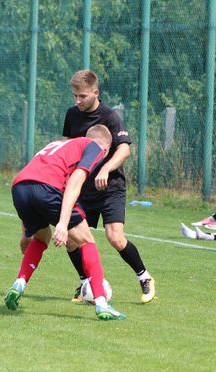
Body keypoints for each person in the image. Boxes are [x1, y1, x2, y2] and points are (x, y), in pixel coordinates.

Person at [5, 125, 126, 320]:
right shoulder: (95, 147)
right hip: (47, 188)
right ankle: (102, 304)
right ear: (105, 149)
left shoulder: (59, 144)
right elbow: (75, 181)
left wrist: (25, 230)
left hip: (19, 188)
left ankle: (19, 284)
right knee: (87, 241)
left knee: (41, 238)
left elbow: (31, 176)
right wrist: (63, 223)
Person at [62, 69, 156, 304]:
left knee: (115, 237)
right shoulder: (72, 115)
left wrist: (105, 169)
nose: (78, 101)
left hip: (110, 188)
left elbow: (124, 149)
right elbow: (68, 146)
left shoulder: (110, 117)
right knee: (72, 238)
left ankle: (144, 277)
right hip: (84, 189)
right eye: (75, 96)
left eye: (82, 96)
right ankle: (85, 283)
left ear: (96, 93)